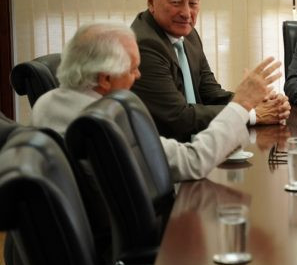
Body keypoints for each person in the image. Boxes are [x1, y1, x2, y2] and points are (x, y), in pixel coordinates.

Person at [32, 22, 281, 181]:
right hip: (137, 241)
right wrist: (241, 105)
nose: (138, 76)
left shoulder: (45, 103)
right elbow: (192, 162)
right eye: (132, 69)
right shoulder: (107, 121)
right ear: (105, 79)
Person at [130, 0, 290, 142]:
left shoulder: (188, 35)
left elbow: (211, 94)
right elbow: (178, 117)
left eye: (193, 3)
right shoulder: (144, 45)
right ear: (151, 1)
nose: (186, 13)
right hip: (164, 156)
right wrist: (250, 113)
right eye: (176, 2)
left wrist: (253, 101)